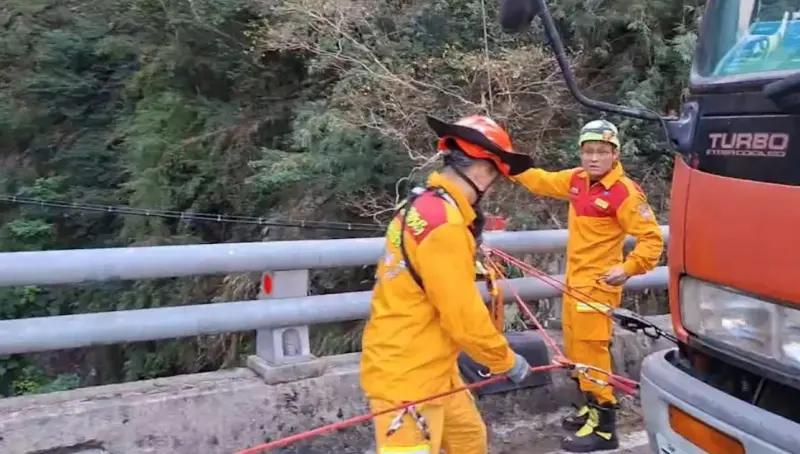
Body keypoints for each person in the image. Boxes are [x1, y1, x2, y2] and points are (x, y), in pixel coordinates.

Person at [359, 114, 537, 454]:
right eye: (497, 177)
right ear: (482, 171)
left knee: (470, 441)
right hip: (408, 378)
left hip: (436, 368)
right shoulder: (446, 226)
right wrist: (504, 360)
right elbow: (463, 316)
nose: (493, 187)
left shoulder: (424, 203)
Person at [510, 119, 664, 452]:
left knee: (592, 353)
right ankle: (590, 409)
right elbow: (542, 181)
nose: (594, 158)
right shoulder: (577, 180)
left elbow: (651, 240)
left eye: (602, 151)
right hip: (574, 284)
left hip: (597, 287)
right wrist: (508, 163)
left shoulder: (624, 192)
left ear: (615, 154)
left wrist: (627, 268)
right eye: (589, 151)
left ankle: (605, 429)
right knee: (576, 350)